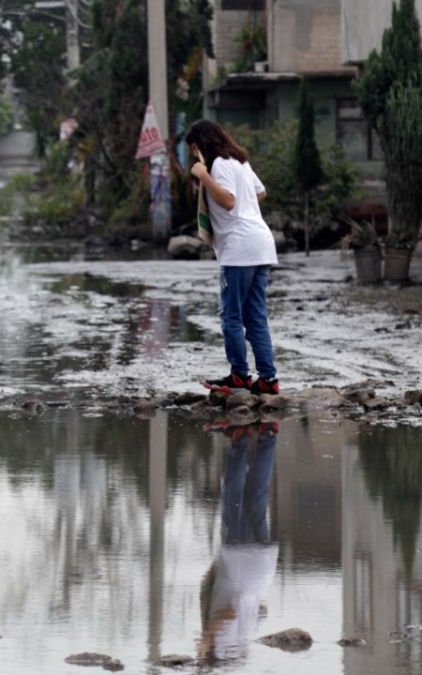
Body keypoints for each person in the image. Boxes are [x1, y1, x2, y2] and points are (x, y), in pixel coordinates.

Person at [185, 120, 280, 396]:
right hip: (260, 243)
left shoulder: (219, 166)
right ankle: (268, 379)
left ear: (202, 143)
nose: (193, 155)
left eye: (194, 148)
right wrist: (246, 209)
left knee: (231, 315)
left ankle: (239, 375)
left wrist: (203, 176)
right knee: (256, 317)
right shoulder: (240, 162)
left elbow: (228, 201)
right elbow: (260, 192)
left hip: (239, 249)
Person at [198, 421, 278, 665]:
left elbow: (262, 612)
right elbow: (229, 614)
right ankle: (239, 440)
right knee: (233, 497)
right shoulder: (222, 647)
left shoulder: (245, 638)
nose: (197, 653)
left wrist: (250, 601)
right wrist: (208, 636)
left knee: (257, 498)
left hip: (262, 567)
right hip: (239, 559)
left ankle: (269, 437)